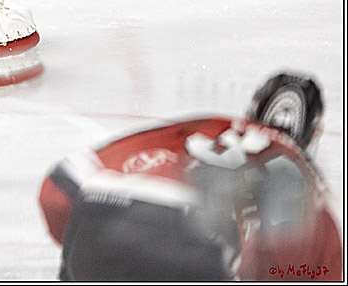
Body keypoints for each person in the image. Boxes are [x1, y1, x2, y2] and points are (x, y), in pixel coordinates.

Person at [38, 72, 342, 281]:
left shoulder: (206, 125)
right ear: (311, 134)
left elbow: (56, 190)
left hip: (100, 216)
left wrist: (94, 243)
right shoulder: (297, 173)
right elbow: (307, 267)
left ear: (252, 110)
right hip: (191, 249)